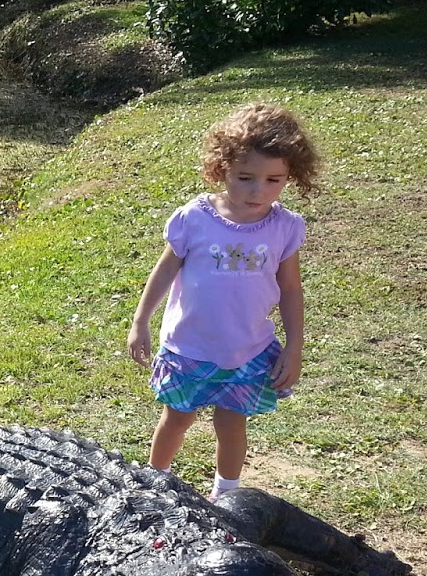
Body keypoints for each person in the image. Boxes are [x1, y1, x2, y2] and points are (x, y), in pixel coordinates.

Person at [126, 103, 322, 500]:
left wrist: (295, 348)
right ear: (221, 169)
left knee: (232, 425)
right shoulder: (194, 218)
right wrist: (140, 321)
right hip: (190, 347)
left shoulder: (285, 227)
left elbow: (291, 290)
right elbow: (164, 271)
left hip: (247, 349)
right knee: (177, 419)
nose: (258, 191)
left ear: (291, 176)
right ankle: (153, 484)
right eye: (245, 178)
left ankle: (225, 497)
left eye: (274, 180)